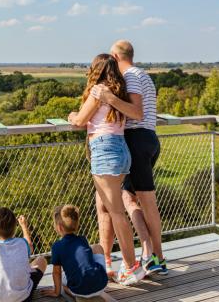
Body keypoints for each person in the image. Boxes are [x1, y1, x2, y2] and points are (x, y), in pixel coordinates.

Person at [67, 54, 145, 286]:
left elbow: (80, 120)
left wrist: (72, 115)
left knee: (117, 213)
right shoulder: (118, 93)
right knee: (110, 208)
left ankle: (132, 267)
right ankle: (109, 262)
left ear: (96, 70)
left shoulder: (98, 91)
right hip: (121, 150)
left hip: (104, 150)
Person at [92, 40, 167, 276]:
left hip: (137, 140)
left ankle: (156, 257)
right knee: (129, 198)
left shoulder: (132, 76)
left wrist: (108, 97)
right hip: (148, 139)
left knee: (145, 201)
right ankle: (149, 253)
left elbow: (136, 112)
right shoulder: (143, 75)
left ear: (114, 56)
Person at [0, 207, 47, 302]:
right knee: (41, 260)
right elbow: (30, 246)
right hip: (24, 297)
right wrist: (24, 226)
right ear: (14, 227)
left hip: (0, 298)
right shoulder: (22, 243)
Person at [40, 205, 110, 300]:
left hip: (80, 291)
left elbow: (57, 273)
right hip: (101, 286)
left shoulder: (57, 246)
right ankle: (98, 277)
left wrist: (57, 292)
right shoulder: (82, 240)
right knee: (97, 247)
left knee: (64, 284)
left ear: (59, 227)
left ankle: (77, 295)